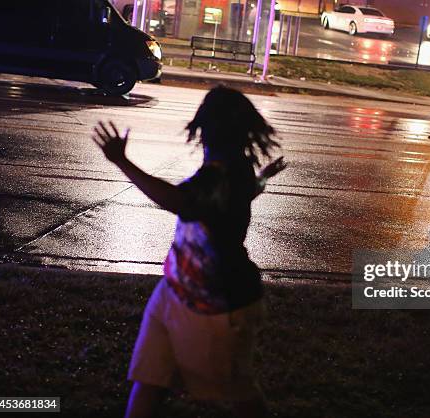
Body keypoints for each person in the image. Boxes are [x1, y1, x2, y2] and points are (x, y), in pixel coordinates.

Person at [92, 86, 287, 418]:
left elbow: (180, 201)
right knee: (149, 379)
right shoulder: (233, 170)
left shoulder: (222, 173)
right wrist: (263, 179)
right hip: (174, 291)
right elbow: (239, 195)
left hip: (218, 305)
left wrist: (122, 161)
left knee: (238, 393)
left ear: (208, 128)